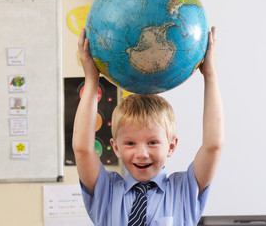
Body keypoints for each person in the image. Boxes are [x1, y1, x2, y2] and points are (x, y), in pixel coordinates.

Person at [73, 26, 224, 226]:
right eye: (130, 143)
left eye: (152, 142)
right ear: (115, 147)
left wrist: (210, 76)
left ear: (171, 146)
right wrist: (91, 80)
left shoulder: (184, 190)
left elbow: (213, 146)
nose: (142, 153)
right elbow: (83, 149)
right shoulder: (106, 191)